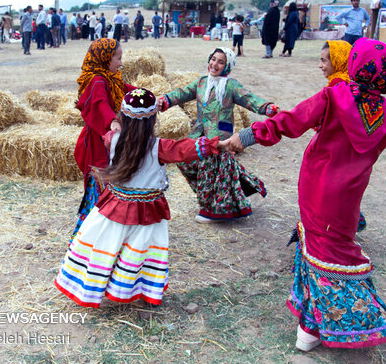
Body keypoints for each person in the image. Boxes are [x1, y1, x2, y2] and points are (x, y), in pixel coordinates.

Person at [223, 38, 386, 351]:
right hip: (349, 197)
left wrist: (245, 136)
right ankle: (313, 324)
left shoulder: (334, 97)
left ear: (354, 65)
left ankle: (312, 330)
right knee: (334, 248)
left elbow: (290, 122)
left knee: (322, 253)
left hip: (317, 186)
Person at [55, 87, 225, 307]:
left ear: (123, 117)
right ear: (152, 120)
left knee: (108, 247)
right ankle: (130, 289)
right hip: (147, 212)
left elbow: (108, 134)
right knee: (138, 253)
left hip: (114, 206)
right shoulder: (159, 147)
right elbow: (184, 149)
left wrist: (112, 124)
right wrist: (214, 145)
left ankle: (95, 286)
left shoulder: (112, 139)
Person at [157, 47, 280, 223]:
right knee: (186, 163)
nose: (215, 64)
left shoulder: (231, 85)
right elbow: (182, 93)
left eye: (221, 61)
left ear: (227, 66)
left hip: (219, 136)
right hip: (199, 134)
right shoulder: (201, 82)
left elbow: (250, 99)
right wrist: (165, 100)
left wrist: (268, 108)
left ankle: (212, 210)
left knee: (210, 169)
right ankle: (213, 196)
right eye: (213, 59)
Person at [72, 39, 135, 242]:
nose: (121, 63)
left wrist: (145, 95)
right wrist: (112, 122)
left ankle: (107, 230)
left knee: (110, 179)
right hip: (99, 142)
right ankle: (91, 234)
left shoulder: (110, 78)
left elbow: (125, 89)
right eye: (118, 58)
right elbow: (99, 104)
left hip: (108, 139)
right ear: (105, 58)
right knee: (101, 180)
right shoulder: (98, 81)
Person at [319, 40, 368, 232]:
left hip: (336, 148)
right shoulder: (352, 84)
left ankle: (341, 225)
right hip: (349, 149)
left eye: (324, 61)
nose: (320, 65)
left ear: (338, 61)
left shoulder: (338, 88)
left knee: (330, 189)